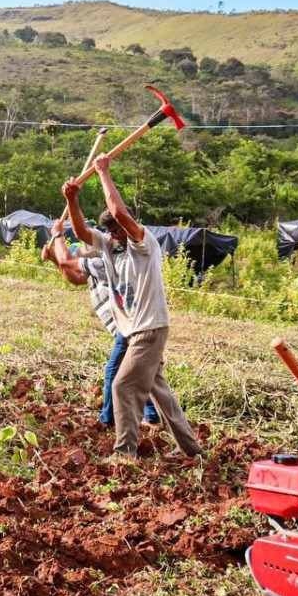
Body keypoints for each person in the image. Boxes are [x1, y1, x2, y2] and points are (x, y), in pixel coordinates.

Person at [63, 153, 202, 460]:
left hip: (149, 329)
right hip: (133, 332)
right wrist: (72, 199)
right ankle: (192, 450)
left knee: (123, 386)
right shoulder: (111, 248)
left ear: (128, 227)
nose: (113, 235)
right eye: (110, 232)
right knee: (160, 393)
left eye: (116, 229)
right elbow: (82, 233)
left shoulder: (143, 244)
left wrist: (103, 173)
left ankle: (125, 453)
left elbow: (118, 211)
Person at [43, 218, 160, 428]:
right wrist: (54, 259)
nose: (79, 252)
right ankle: (151, 416)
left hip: (129, 325)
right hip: (129, 324)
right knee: (143, 372)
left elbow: (68, 263)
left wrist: (57, 236)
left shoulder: (103, 259)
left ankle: (109, 419)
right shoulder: (93, 264)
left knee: (114, 372)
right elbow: (74, 276)